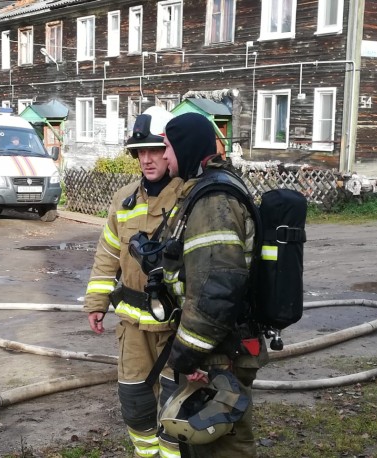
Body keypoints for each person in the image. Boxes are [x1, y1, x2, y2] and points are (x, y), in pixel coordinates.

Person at [158, 112, 269, 457]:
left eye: (167, 147)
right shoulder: (209, 190)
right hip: (219, 348)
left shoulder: (212, 201)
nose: (163, 157)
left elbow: (215, 288)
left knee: (224, 446)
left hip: (219, 353)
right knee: (208, 443)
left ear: (186, 146)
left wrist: (187, 356)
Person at [84, 106, 183, 458]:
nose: (147, 159)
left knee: (178, 408)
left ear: (169, 149)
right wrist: (96, 303)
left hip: (175, 328)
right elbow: (107, 255)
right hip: (132, 328)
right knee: (136, 404)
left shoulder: (188, 196)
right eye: (140, 151)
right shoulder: (123, 200)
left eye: (155, 149)